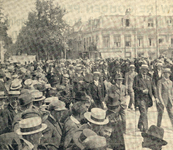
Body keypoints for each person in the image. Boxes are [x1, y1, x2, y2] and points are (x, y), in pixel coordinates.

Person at [133, 64, 154, 133]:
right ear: (141, 70)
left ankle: (140, 124)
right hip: (140, 98)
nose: (144, 71)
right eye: (143, 69)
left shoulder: (149, 77)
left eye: (146, 70)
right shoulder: (137, 77)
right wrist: (142, 90)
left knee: (144, 113)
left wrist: (156, 97)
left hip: (147, 98)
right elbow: (134, 87)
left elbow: (152, 87)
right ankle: (145, 129)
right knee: (144, 113)